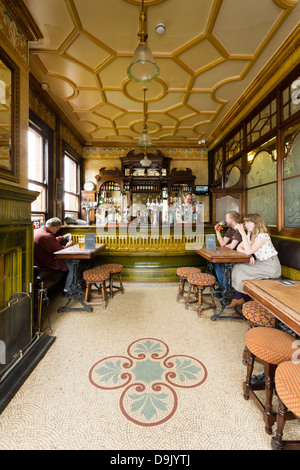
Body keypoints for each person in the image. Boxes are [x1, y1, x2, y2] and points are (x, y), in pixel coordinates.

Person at [228, 213, 281, 308]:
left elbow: (248, 250)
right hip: (261, 263)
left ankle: (241, 298)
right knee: (238, 267)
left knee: (240, 269)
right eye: (245, 223)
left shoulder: (263, 236)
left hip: (270, 266)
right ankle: (241, 298)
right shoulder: (250, 234)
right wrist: (249, 255)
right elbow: (239, 247)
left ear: (256, 224)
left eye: (248, 223)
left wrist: (243, 235)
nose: (245, 225)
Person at [34, 217, 74, 294]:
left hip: (38, 260)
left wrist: (63, 237)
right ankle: (67, 290)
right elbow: (60, 250)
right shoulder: (46, 236)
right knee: (73, 265)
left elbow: (52, 241)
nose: (56, 232)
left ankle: (70, 286)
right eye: (57, 229)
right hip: (46, 262)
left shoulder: (40, 230)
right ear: (55, 227)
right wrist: (68, 246)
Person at [213, 211, 242, 290]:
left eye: (226, 219)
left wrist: (229, 245)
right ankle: (224, 289)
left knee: (227, 268)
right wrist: (217, 231)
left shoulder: (239, 229)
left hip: (240, 256)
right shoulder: (230, 229)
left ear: (231, 220)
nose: (225, 221)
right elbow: (222, 244)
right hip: (232, 254)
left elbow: (232, 246)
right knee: (217, 264)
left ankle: (226, 290)